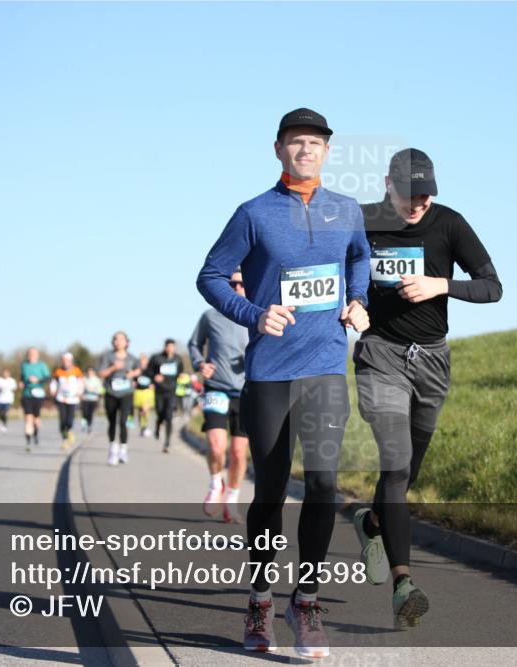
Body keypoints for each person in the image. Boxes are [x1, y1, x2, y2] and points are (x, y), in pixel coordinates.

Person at [197, 108, 370, 658]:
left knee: (322, 485)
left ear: (326, 151)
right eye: (296, 142)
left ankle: (308, 599)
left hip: (324, 367)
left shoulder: (346, 211)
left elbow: (360, 259)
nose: (306, 150)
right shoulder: (253, 213)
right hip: (270, 372)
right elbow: (209, 275)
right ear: (278, 150)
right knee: (269, 493)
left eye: (315, 143)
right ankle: (259, 599)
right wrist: (252, 313)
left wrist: (358, 300)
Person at [351, 148, 502, 628]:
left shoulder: (450, 224)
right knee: (395, 463)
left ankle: (372, 523)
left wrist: (442, 286)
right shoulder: (362, 221)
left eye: (425, 194)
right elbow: (333, 267)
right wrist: (352, 303)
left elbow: (492, 286)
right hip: (380, 355)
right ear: (387, 185)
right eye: (409, 194)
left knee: (409, 467)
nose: (418, 203)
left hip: (432, 360)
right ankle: (403, 584)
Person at [188, 270, 250, 524]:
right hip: (216, 388)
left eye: (242, 283)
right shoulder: (211, 316)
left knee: (237, 453)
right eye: (232, 283)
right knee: (216, 445)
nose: (237, 287)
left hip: (246, 391)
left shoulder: (255, 314)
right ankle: (216, 483)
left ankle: (232, 500)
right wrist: (200, 363)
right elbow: (194, 344)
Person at [97, 331, 141, 465]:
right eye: (116, 339)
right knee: (112, 421)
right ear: (113, 342)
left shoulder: (132, 358)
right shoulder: (107, 356)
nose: (119, 342)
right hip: (111, 392)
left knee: (123, 421)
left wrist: (132, 374)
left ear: (127, 342)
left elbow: (139, 370)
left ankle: (123, 448)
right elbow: (101, 373)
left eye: (122, 339)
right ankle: (112, 449)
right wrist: (113, 368)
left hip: (126, 393)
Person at [148, 339, 183, 453]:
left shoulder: (178, 359)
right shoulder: (156, 358)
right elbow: (148, 371)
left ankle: (167, 443)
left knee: (169, 417)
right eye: (168, 346)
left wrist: (180, 376)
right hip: (159, 391)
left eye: (172, 347)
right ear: (165, 347)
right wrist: (154, 377)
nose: (170, 349)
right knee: (160, 413)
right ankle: (158, 424)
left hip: (171, 391)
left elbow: (180, 372)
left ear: (175, 348)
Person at [19, 347, 51, 452]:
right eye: (30, 353)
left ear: (37, 355)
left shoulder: (42, 365)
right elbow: (22, 377)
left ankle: (36, 433)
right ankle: (28, 442)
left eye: (33, 353)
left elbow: (48, 378)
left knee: (36, 419)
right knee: (28, 418)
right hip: (27, 394)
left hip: (38, 393)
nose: (31, 355)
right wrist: (21, 383)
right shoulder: (24, 365)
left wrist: (38, 380)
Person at [52, 352, 84, 449]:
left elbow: (81, 382)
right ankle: (64, 440)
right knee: (62, 420)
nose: (65, 362)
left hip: (72, 399)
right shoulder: (58, 372)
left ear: (71, 361)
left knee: (69, 420)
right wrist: (53, 391)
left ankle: (69, 431)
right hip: (61, 398)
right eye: (64, 360)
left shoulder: (77, 371)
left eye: (67, 360)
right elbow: (53, 383)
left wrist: (79, 392)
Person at [132, 353, 155, 437]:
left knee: (146, 410)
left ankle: (145, 426)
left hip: (147, 392)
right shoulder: (137, 371)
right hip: (139, 392)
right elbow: (134, 380)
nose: (143, 363)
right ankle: (142, 427)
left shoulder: (150, 371)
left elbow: (154, 380)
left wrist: (153, 385)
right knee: (140, 411)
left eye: (145, 361)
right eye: (142, 361)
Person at [0, 369, 17, 433]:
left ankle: (5, 424)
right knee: (0, 413)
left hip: (8, 400)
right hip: (0, 399)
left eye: (7, 373)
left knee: (5, 412)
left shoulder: (12, 380)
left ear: (9, 374)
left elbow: (15, 389)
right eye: (4, 373)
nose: (5, 374)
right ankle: (2, 422)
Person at [80, 367, 103, 433]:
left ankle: (89, 425)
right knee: (84, 412)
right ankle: (84, 425)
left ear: (94, 372)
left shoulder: (97, 380)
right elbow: (81, 388)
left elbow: (100, 389)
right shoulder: (84, 379)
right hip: (85, 398)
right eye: (89, 371)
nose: (90, 373)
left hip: (93, 399)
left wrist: (94, 390)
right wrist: (81, 394)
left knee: (90, 413)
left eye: (91, 371)